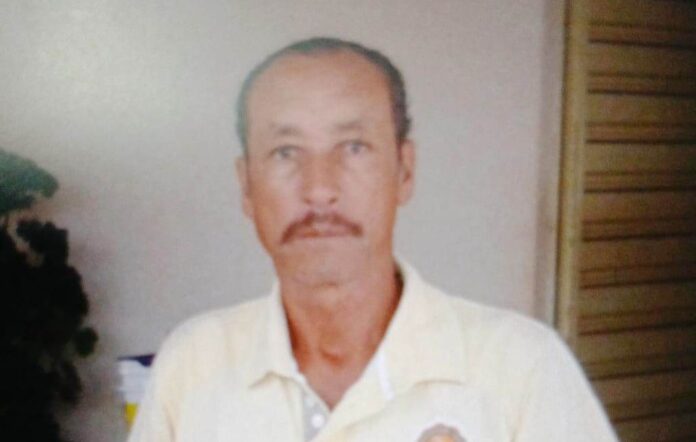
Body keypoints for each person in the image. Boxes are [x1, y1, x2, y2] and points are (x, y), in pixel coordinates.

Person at [128, 37, 617, 442]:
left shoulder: (522, 369)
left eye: (354, 147)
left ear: (404, 171)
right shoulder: (193, 364)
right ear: (246, 187)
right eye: (285, 152)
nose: (319, 188)